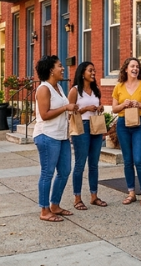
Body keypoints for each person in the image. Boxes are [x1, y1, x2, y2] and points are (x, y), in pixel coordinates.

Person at [33, 55, 78, 223]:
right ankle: (44, 210)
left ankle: (55, 205)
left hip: (61, 136)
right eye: (60, 65)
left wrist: (70, 110)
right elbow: (43, 115)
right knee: (47, 173)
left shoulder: (58, 87)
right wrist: (66, 107)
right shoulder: (43, 89)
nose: (63, 68)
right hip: (47, 136)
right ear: (51, 70)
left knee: (65, 171)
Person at [112, 57, 141, 207]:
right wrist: (124, 104)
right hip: (123, 124)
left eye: (137, 66)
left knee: (139, 160)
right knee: (128, 161)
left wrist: (140, 104)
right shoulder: (119, 87)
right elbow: (114, 109)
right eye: (132, 66)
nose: (135, 68)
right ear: (126, 69)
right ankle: (131, 193)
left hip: (140, 124)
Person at [68, 61, 107, 211]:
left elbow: (97, 105)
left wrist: (100, 108)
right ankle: (77, 198)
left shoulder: (96, 90)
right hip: (81, 127)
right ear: (82, 72)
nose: (93, 73)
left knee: (94, 164)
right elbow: (70, 112)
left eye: (94, 71)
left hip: (95, 126)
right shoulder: (75, 91)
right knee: (80, 163)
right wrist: (84, 110)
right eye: (90, 70)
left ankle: (94, 196)